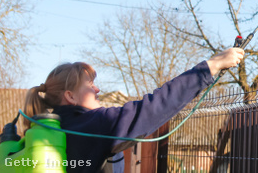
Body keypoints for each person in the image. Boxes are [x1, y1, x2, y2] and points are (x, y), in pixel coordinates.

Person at [22, 47, 244, 173]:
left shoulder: (42, 133)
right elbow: (152, 108)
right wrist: (211, 66)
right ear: (70, 96)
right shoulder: (91, 125)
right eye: (90, 86)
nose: (98, 89)